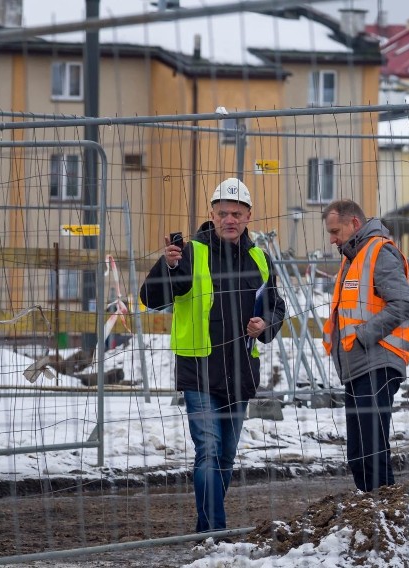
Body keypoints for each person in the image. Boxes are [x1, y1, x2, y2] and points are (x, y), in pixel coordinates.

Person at [140, 177, 286, 535]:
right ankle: (216, 533)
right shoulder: (190, 252)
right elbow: (152, 298)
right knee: (208, 449)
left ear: (249, 215)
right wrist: (168, 267)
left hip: (239, 371)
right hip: (199, 368)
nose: (229, 219)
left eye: (236, 213)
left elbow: (276, 305)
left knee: (225, 457)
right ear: (212, 214)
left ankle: (206, 528)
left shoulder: (260, 259)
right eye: (222, 213)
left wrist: (263, 324)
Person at [321, 199, 409, 492]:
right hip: (356, 366)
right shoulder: (352, 257)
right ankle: (370, 517)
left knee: (372, 450)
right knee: (359, 455)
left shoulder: (379, 252)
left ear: (354, 224)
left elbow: (404, 302)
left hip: (377, 363)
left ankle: (385, 518)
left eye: (336, 231)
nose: (333, 239)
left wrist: (363, 336)